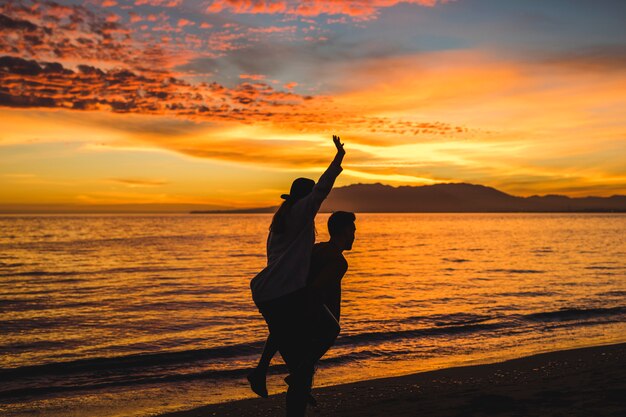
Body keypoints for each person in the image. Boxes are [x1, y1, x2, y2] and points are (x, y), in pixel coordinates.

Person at [250, 135, 345, 417]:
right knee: (330, 330)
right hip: (284, 292)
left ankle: (263, 373)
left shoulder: (279, 223)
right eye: (310, 197)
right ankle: (297, 377)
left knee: (281, 332)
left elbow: (288, 258)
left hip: (266, 293)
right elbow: (323, 189)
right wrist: (339, 157)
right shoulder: (301, 213)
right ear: (305, 199)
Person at [248, 211, 357, 402]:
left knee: (298, 378)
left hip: (293, 317)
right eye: (352, 230)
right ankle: (293, 375)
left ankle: (262, 371)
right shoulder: (338, 262)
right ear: (343, 231)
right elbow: (315, 291)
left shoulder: (315, 249)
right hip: (308, 326)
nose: (354, 235)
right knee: (304, 374)